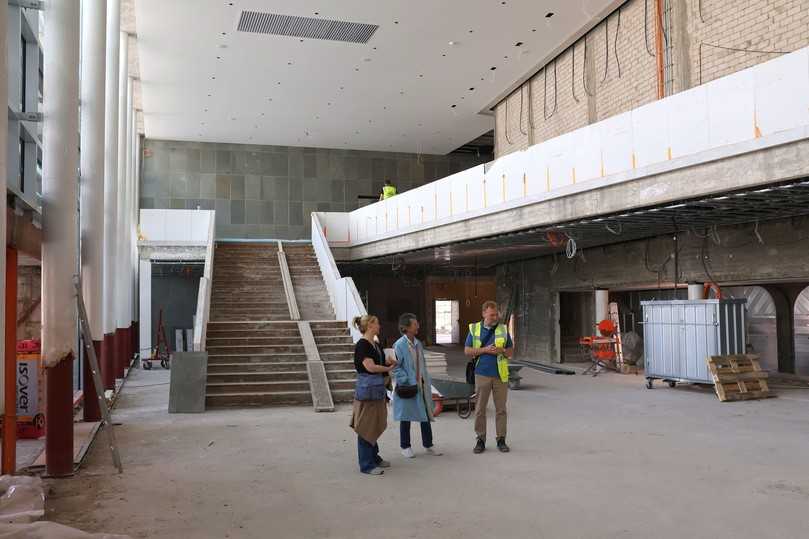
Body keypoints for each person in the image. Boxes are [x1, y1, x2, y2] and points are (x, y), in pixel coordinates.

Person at [464, 300, 514, 454]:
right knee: (480, 409)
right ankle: (480, 439)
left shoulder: (503, 330)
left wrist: (502, 351)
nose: (495, 317)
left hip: (500, 375)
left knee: (501, 410)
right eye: (491, 315)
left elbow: (510, 352)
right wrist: (485, 349)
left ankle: (501, 439)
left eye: (496, 314)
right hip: (482, 373)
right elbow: (467, 351)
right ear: (484, 313)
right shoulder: (474, 329)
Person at [350, 314, 397, 475]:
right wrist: (387, 369)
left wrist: (389, 362)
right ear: (370, 325)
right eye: (377, 323)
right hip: (368, 391)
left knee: (375, 424)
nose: (379, 326)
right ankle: (366, 464)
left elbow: (380, 363)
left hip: (377, 390)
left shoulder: (375, 344)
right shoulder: (362, 345)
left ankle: (374, 457)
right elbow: (370, 367)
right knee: (365, 426)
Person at [392, 313, 442, 458]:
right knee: (405, 416)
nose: (418, 326)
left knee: (425, 414)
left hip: (421, 385)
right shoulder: (399, 345)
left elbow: (422, 365)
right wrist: (407, 379)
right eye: (415, 324)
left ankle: (428, 444)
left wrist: (425, 381)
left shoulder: (418, 343)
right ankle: (405, 446)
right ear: (406, 328)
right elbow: (395, 367)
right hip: (408, 386)